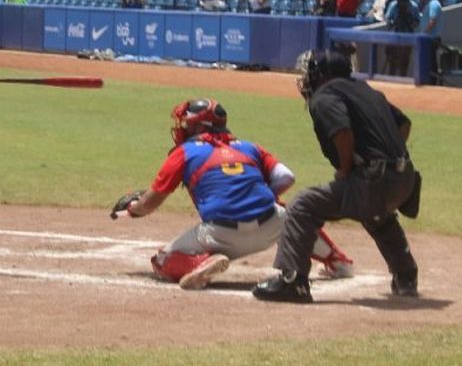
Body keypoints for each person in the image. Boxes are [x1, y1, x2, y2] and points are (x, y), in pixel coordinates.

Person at [109, 99, 353, 290]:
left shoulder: (183, 152)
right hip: (271, 226)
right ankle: (337, 261)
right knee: (291, 214)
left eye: (187, 123)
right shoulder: (249, 146)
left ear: (198, 126)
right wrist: (260, 195)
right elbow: (286, 177)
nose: (182, 128)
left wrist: (133, 208)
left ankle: (201, 263)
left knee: (161, 260)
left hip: (220, 236)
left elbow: (150, 203)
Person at [253, 50, 421, 303]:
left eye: (310, 72)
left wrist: (345, 169)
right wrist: (390, 156)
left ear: (322, 75)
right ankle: (406, 276)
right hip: (405, 178)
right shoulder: (366, 90)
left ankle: (292, 281)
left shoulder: (325, 95)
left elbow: (342, 132)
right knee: (376, 213)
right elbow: (404, 124)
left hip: (374, 180)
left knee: (302, 206)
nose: (306, 78)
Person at [383, 0, 419, 76]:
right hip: (394, 37)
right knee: (392, 63)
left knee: (404, 63)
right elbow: (387, 20)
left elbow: (416, 22)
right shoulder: (393, 5)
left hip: (407, 37)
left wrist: (407, 15)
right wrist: (394, 21)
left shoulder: (413, 6)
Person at [418, 0, 443, 75]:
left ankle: (433, 81)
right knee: (428, 61)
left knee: (431, 61)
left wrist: (423, 33)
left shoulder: (434, 4)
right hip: (429, 37)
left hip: (432, 38)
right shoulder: (428, 4)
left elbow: (432, 21)